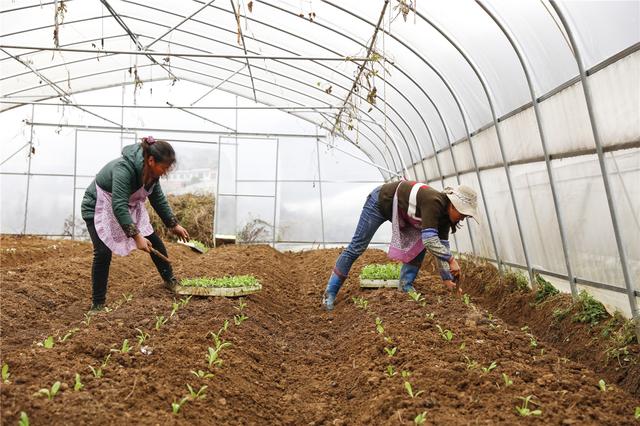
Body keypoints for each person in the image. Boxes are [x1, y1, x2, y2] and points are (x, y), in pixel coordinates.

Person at [322, 180, 479, 311]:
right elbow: (430, 240)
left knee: (420, 244)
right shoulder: (434, 202)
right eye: (463, 214)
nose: (463, 219)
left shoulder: (445, 218)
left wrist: (446, 279)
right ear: (454, 205)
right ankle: (330, 292)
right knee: (357, 247)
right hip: (380, 202)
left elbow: (440, 247)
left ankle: (405, 286)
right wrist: (451, 260)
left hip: (403, 211)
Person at [81, 136, 189, 311]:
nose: (165, 172)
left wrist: (172, 224)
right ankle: (98, 304)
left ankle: (170, 281)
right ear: (151, 160)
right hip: (98, 207)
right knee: (102, 253)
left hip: (125, 207)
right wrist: (136, 236)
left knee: (154, 240)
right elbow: (118, 205)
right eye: (164, 167)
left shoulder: (152, 174)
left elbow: (157, 198)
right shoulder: (124, 169)